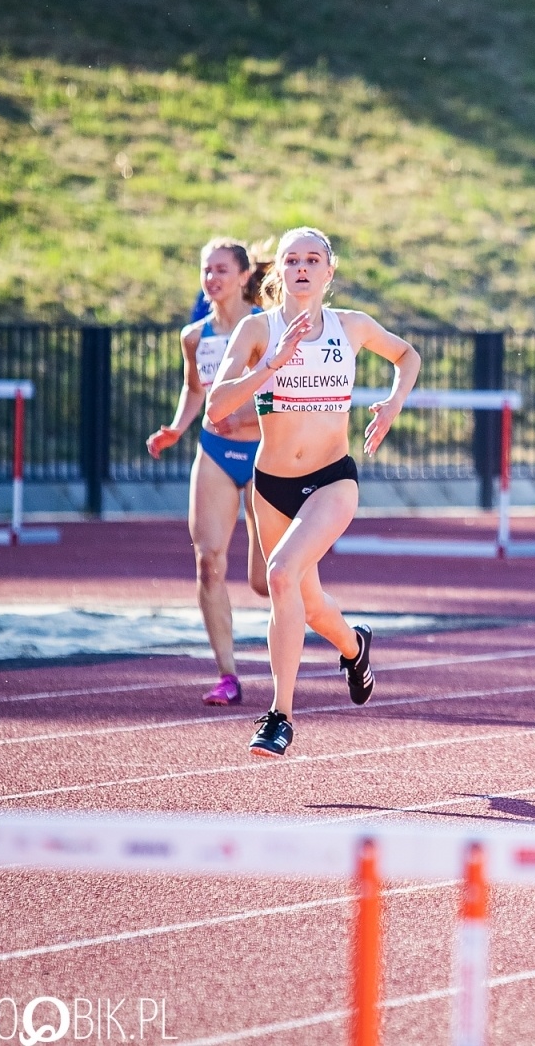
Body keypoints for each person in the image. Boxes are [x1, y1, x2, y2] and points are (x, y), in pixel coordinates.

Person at [207, 226, 421, 757]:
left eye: (313, 259)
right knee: (309, 602)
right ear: (279, 271)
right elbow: (215, 407)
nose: (302, 268)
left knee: (280, 575)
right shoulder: (258, 329)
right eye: (292, 260)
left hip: (332, 479)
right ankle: (354, 646)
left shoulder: (351, 326)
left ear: (329, 271)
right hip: (272, 483)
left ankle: (279, 715)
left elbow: (408, 356)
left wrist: (393, 404)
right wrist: (272, 363)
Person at [146, 238, 270, 705]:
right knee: (208, 562)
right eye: (206, 270)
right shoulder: (194, 336)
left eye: (221, 270)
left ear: (243, 276)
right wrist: (177, 428)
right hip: (215, 451)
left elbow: (285, 394)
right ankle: (228, 674)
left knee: (265, 580)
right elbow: (194, 390)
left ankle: (317, 634)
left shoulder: (265, 329)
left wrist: (249, 418)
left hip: (265, 455)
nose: (212, 278)